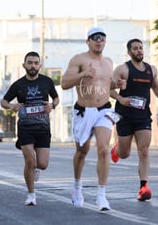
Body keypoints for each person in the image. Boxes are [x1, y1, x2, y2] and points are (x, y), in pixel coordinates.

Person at [61, 26, 126, 211]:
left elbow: (107, 85)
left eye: (102, 38)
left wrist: (118, 84)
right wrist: (83, 74)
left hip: (104, 110)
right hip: (84, 110)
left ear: (105, 41)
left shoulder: (108, 62)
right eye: (95, 37)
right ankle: (76, 186)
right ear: (88, 41)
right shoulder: (79, 59)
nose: (99, 40)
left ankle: (101, 195)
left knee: (104, 149)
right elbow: (64, 83)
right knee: (82, 151)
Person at [110, 38, 158, 201]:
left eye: (141, 48)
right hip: (124, 116)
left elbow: (156, 87)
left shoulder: (151, 70)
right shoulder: (122, 69)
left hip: (143, 116)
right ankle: (116, 149)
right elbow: (108, 89)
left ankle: (143, 187)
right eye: (135, 49)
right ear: (129, 52)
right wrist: (120, 98)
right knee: (124, 154)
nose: (139, 51)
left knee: (144, 151)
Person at [0, 51, 59, 206]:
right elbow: (3, 101)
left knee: (43, 164)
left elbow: (56, 98)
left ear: (40, 65)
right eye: (30, 62)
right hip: (25, 127)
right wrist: (12, 105)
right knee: (30, 160)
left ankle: (36, 170)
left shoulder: (47, 81)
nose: (33, 66)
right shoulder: (19, 84)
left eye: (35, 63)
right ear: (24, 65)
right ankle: (31, 194)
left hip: (43, 127)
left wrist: (52, 105)